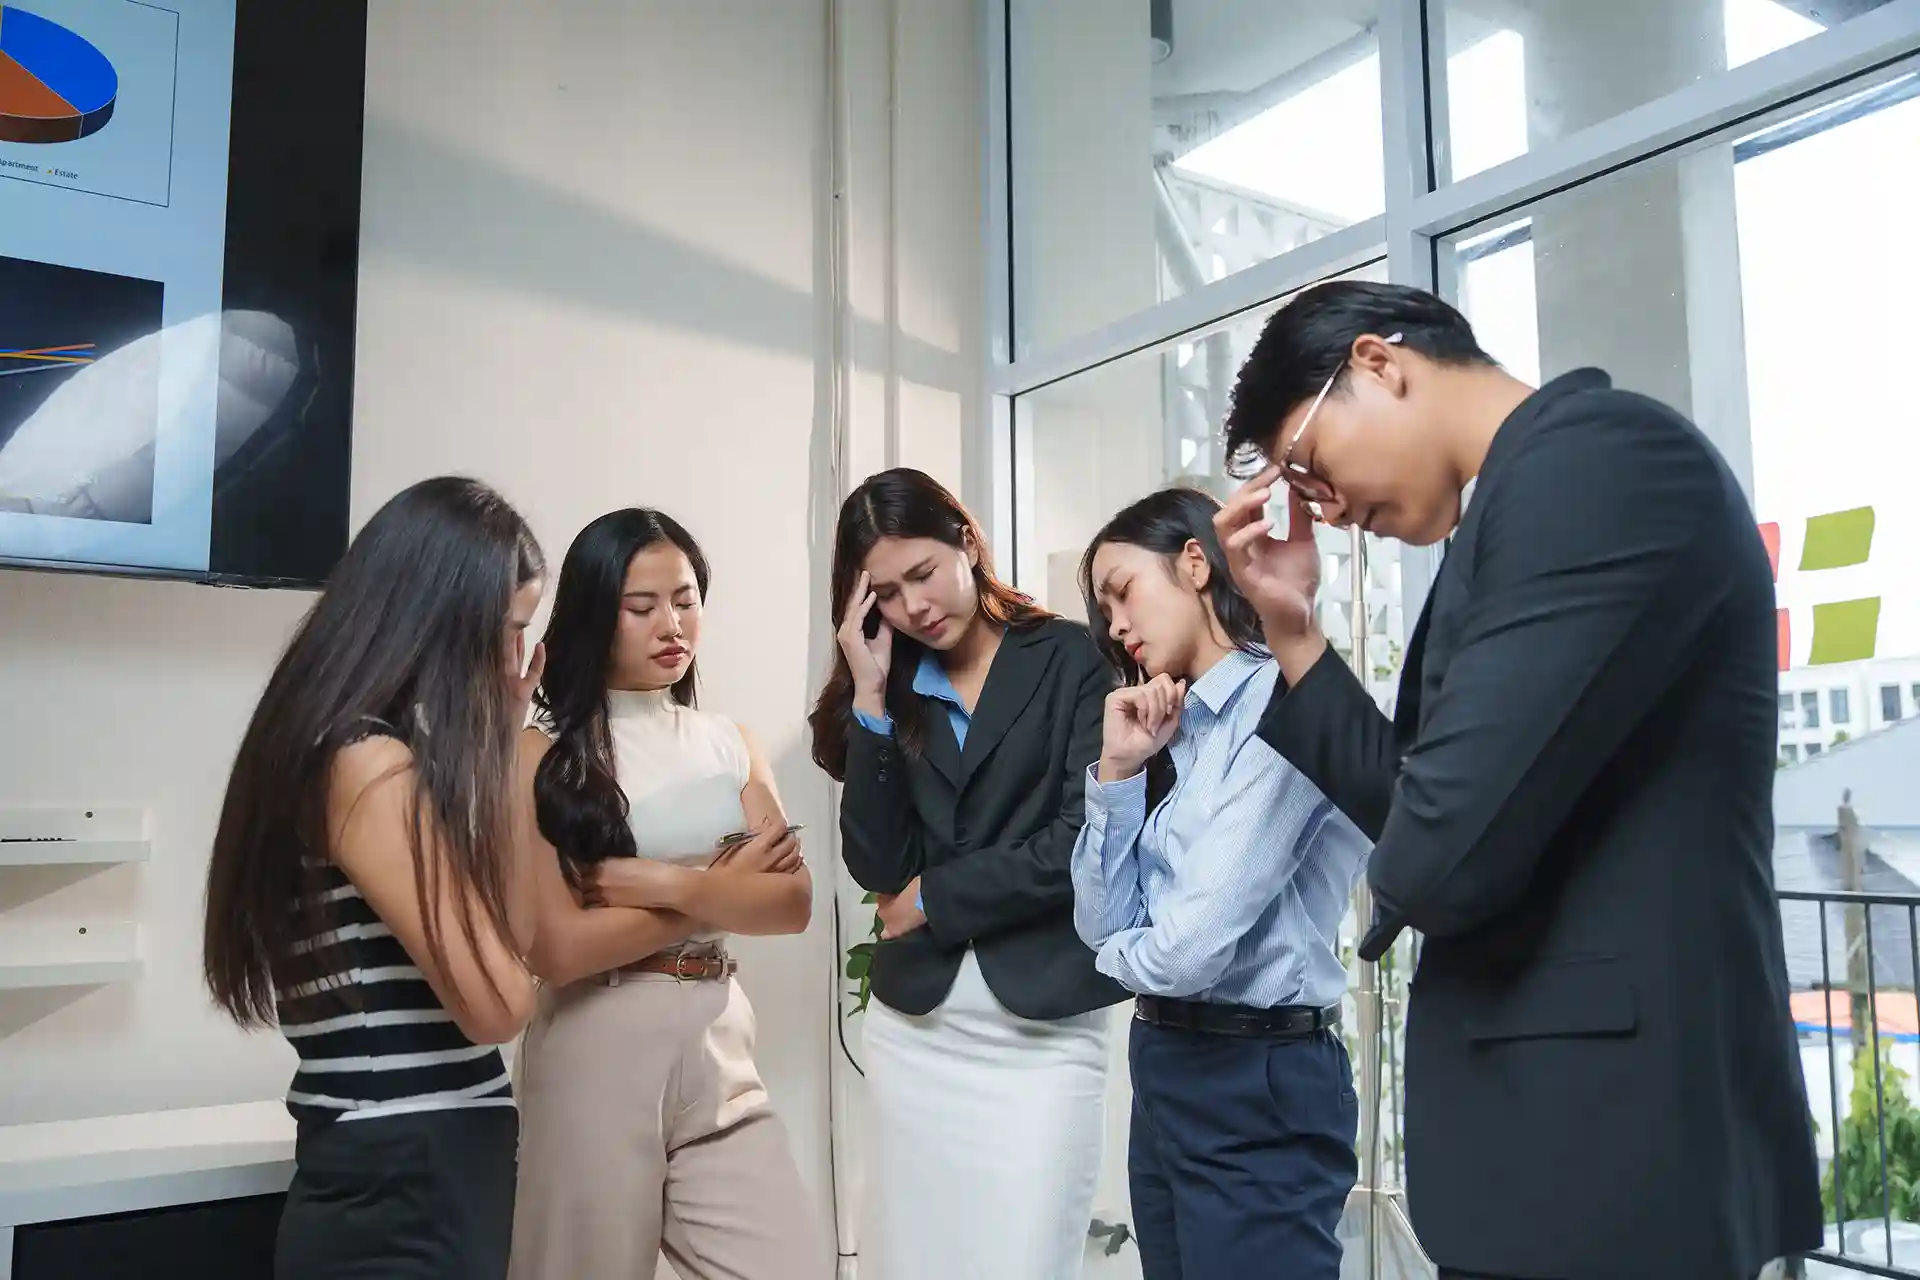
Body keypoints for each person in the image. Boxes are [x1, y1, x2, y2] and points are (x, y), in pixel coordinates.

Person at [1209, 280, 1820, 1280]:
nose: (1332, 511)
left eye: (1314, 468)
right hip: (1560, 1157)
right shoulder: (1518, 504)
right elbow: (1429, 810)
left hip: (1613, 1159)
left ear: (1378, 362)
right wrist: (1290, 624)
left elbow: (1438, 852)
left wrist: (1414, 856)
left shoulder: (1599, 463)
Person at [203, 476, 547, 1280]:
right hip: (410, 1182)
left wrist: (498, 757)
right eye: (506, 631)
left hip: (399, 1171)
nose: (512, 662)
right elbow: (502, 1002)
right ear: (434, 617)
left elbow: (518, 941)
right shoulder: (366, 763)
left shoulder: (335, 746)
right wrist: (509, 759)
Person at [807, 467, 1125, 1280]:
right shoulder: (891, 688)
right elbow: (875, 864)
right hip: (917, 1031)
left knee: (1028, 1260)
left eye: (923, 573)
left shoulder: (1070, 658)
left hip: (1043, 1031)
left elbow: (1080, 839)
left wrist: (936, 895)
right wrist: (871, 702)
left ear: (967, 543)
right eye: (886, 590)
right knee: (906, 1262)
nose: (914, 605)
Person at [508, 508, 819, 1279]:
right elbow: (560, 948)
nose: (671, 624)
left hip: (722, 1038)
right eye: (641, 607)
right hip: (598, 1041)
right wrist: (722, 893)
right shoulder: (539, 752)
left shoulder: (728, 741)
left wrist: (659, 883)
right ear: (593, 615)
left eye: (685, 599)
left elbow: (792, 904)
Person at [1072, 487, 1368, 1279]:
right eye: (1103, 612)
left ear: (1196, 563)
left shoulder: (1287, 707)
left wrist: (1124, 952)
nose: (1116, 626)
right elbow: (1103, 922)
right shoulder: (1173, 732)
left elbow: (1188, 949)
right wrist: (1118, 772)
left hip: (1258, 1078)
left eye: (1122, 591)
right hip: (1167, 1060)